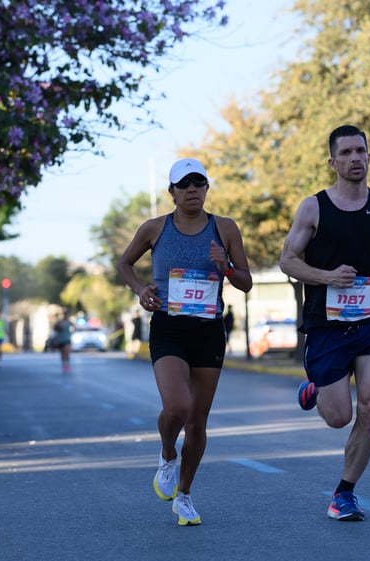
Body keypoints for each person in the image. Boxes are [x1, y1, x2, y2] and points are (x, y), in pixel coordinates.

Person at [279, 125, 370, 522]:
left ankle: (344, 493)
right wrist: (326, 277)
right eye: (346, 153)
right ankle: (317, 388)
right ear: (333, 162)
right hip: (326, 325)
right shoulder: (314, 208)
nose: (355, 158)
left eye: (361, 151)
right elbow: (287, 260)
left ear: (369, 157)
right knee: (339, 416)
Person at [117, 157, 253, 526]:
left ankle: (185, 495)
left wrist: (224, 265)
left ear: (207, 188)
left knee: (197, 421)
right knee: (177, 406)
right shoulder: (154, 228)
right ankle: (166, 455)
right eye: (185, 184)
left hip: (208, 329)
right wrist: (140, 290)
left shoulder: (224, 228)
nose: (193, 189)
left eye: (199, 183)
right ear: (172, 192)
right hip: (169, 326)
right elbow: (124, 263)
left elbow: (245, 281)